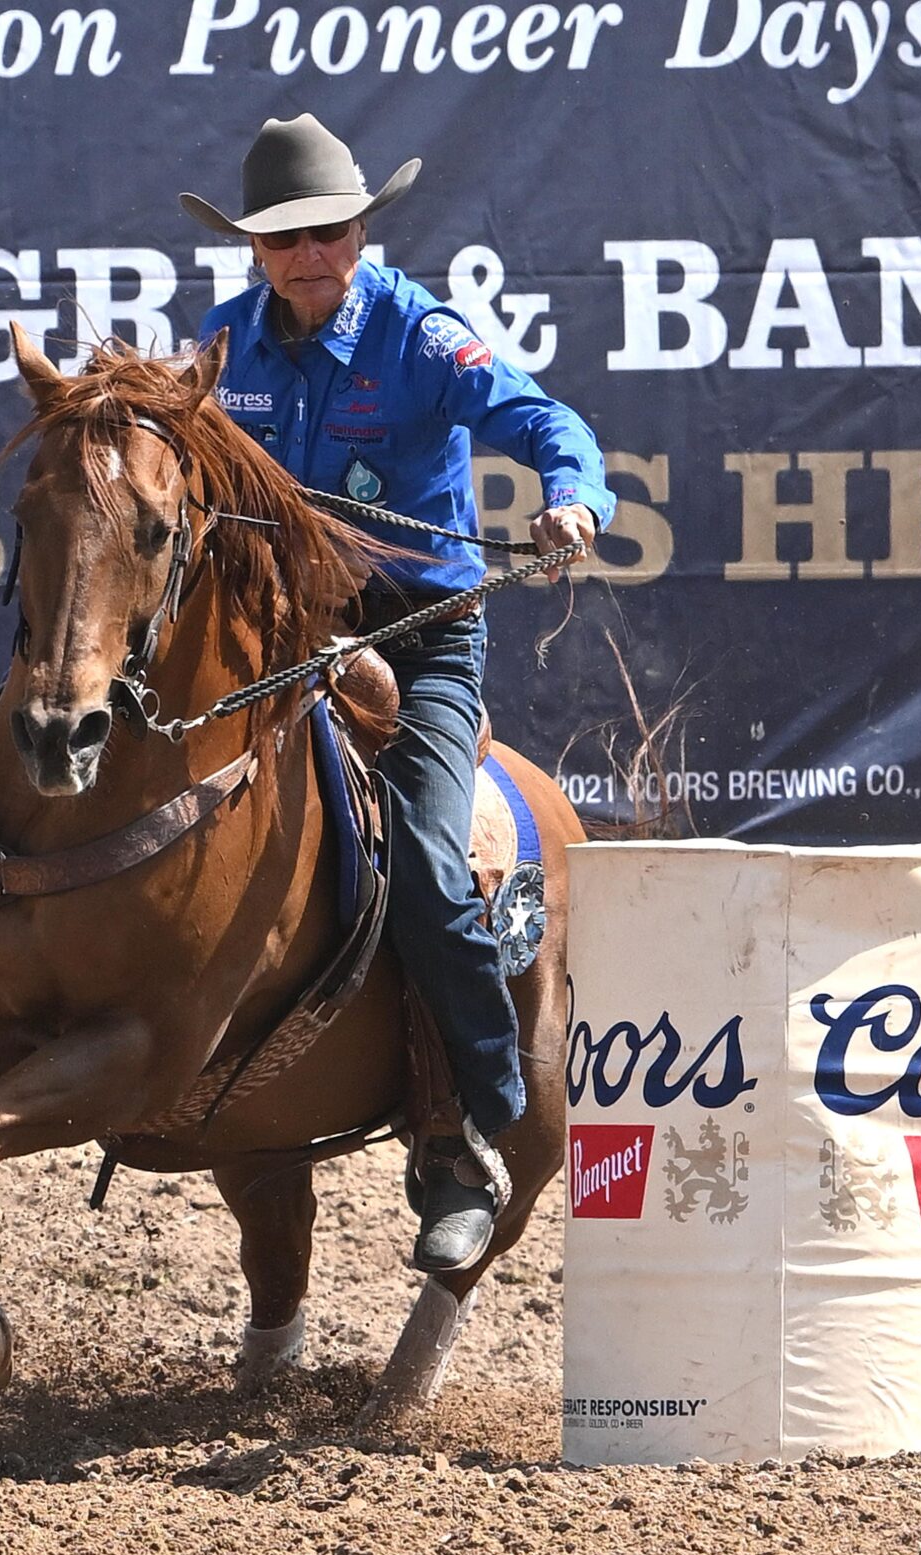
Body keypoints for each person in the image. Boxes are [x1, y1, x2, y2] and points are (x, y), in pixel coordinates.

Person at [181, 115, 614, 1273]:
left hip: (416, 639)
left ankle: (464, 1133)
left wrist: (573, 496)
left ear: (361, 232)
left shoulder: (420, 335)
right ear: (255, 251)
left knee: (423, 856)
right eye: (282, 240)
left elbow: (541, 419)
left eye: (325, 233)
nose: (306, 255)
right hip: (271, 638)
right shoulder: (224, 344)